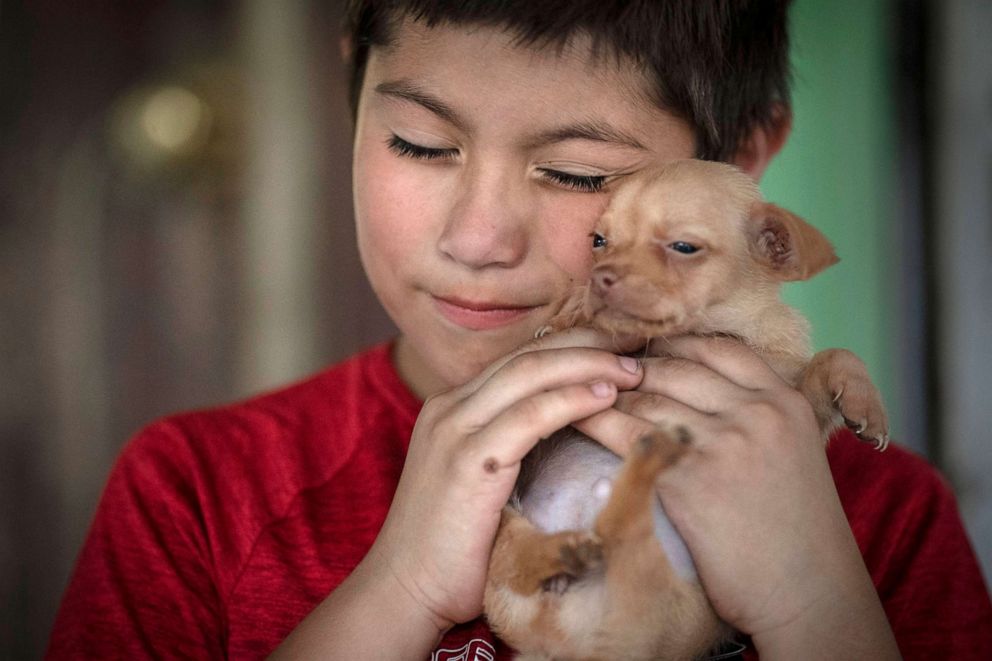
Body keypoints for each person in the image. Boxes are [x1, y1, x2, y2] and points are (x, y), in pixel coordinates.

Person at [47, 1, 992, 659]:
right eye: (420, 143)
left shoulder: (878, 521)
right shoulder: (193, 493)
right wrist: (402, 593)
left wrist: (809, 601)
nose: (477, 239)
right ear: (353, 88)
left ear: (739, 163)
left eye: (582, 175)